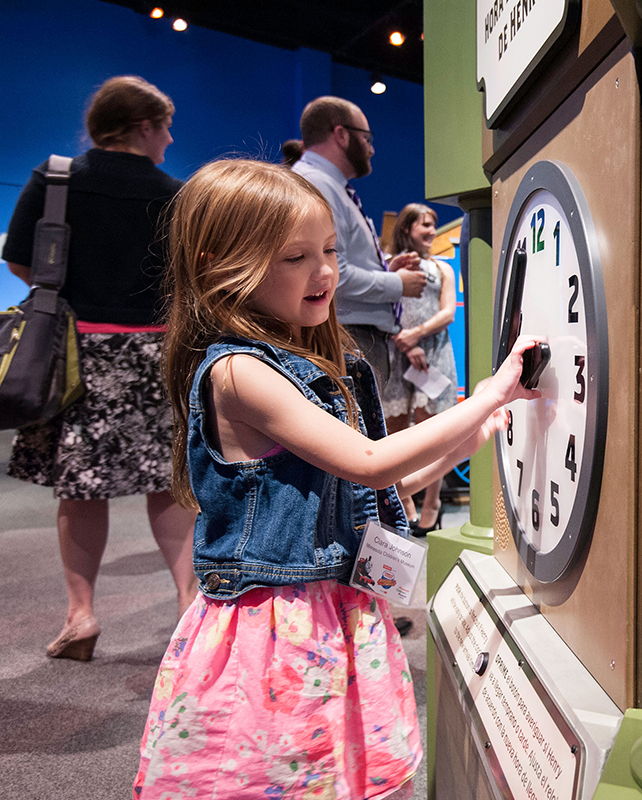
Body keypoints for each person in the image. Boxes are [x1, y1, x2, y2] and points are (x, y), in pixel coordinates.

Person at [133, 158, 539, 798]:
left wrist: (471, 434)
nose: (324, 272)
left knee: (335, 777)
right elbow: (369, 461)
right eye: (294, 258)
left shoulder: (315, 361)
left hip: (332, 613)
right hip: (276, 630)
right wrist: (485, 397)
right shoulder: (237, 372)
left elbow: (368, 490)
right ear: (220, 265)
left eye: (328, 250)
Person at [2, 75, 197, 661]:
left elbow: (19, 262)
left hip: (76, 354)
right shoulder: (175, 193)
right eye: (164, 126)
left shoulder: (55, 177)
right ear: (143, 126)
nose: (168, 137)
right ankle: (190, 608)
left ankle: (81, 617)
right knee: (168, 487)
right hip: (155, 353)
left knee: (80, 491)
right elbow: (188, 279)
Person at [291, 96, 425, 387]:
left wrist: (388, 268)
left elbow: (335, 261)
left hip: (353, 337)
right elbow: (324, 274)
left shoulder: (327, 185)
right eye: (367, 138)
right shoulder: (317, 185)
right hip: (348, 336)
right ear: (341, 135)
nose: (371, 148)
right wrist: (398, 284)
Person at [382, 204, 460, 534]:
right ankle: (405, 500)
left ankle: (432, 502)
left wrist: (417, 335)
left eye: (434, 225)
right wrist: (406, 342)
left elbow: (447, 313)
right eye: (424, 224)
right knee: (395, 431)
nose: (431, 230)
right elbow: (380, 307)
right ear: (406, 228)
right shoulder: (388, 266)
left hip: (433, 354)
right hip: (395, 353)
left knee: (432, 433)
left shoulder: (442, 268)